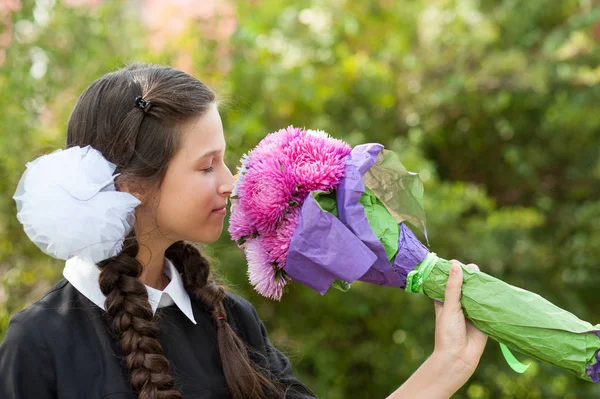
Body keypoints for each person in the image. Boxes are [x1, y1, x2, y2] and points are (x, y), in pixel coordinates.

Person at [0, 64, 487, 399]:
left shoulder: (230, 320)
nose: (230, 184)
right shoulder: (40, 343)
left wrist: (447, 366)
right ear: (132, 186)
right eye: (207, 166)